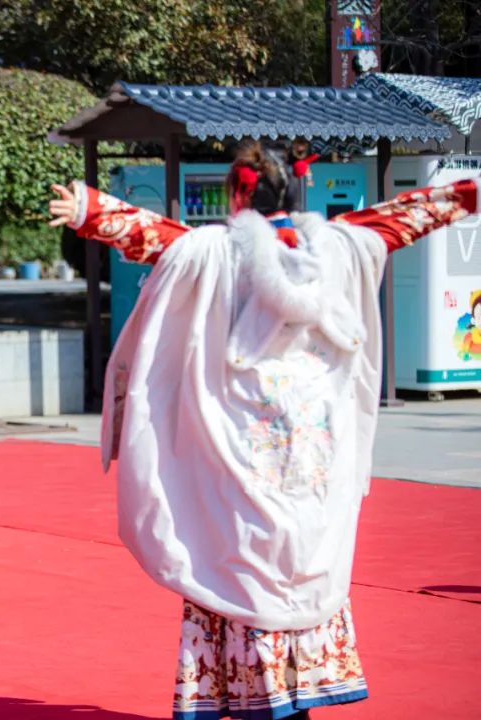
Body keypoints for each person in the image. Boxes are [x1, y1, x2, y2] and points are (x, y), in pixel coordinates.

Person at [47, 141, 478, 719]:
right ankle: (298, 691)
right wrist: (466, 195)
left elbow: (157, 238)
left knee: (232, 554)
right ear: (296, 191)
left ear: (238, 192)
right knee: (304, 554)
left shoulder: (218, 251)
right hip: (313, 443)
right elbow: (399, 219)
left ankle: (244, 688)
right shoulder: (337, 247)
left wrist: (90, 210)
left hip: (242, 438)